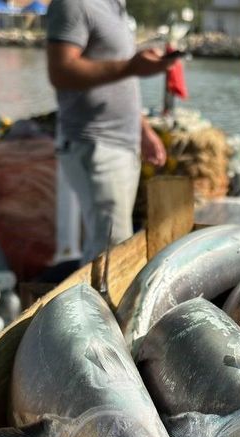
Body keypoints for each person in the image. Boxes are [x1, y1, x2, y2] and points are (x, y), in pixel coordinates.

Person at [46, 0, 178, 262]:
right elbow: (60, 71)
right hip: (96, 144)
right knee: (111, 250)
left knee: (111, 246)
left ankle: (97, 302)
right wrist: (131, 66)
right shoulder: (74, 4)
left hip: (121, 144)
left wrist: (143, 130)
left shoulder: (114, 7)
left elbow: (122, 80)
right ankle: (94, 304)